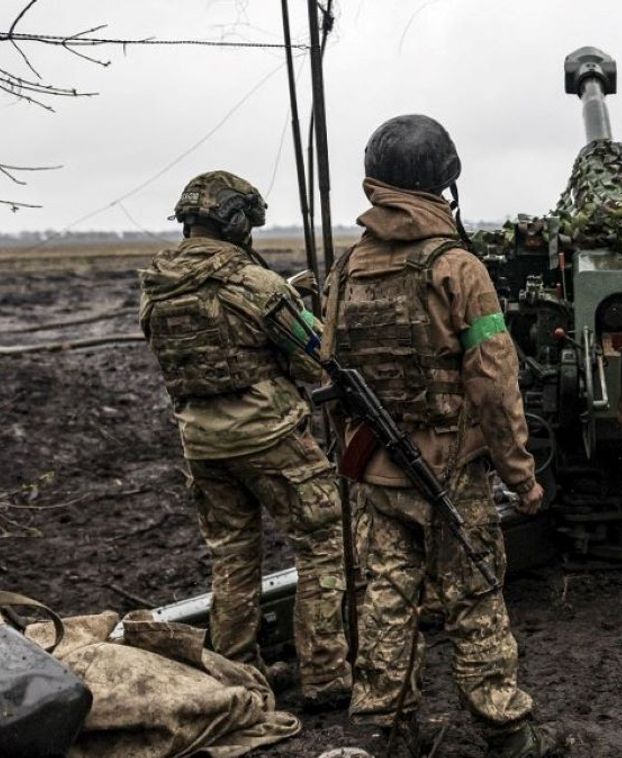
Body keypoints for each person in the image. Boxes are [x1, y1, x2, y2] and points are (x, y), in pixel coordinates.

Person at [321, 114, 558, 758]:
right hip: (451, 472)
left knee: (386, 597)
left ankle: (379, 727)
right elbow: (494, 381)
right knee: (474, 596)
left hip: (375, 469)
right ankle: (508, 732)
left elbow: (332, 367)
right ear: (444, 180)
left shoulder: (346, 269)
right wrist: (520, 474)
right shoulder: (458, 268)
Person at [138, 171, 351, 708]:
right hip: (270, 436)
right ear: (235, 223)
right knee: (323, 542)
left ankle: (236, 680)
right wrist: (306, 312)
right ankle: (326, 675)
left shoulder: (157, 289)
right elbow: (312, 363)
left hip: (201, 445)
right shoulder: (255, 286)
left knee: (233, 559)